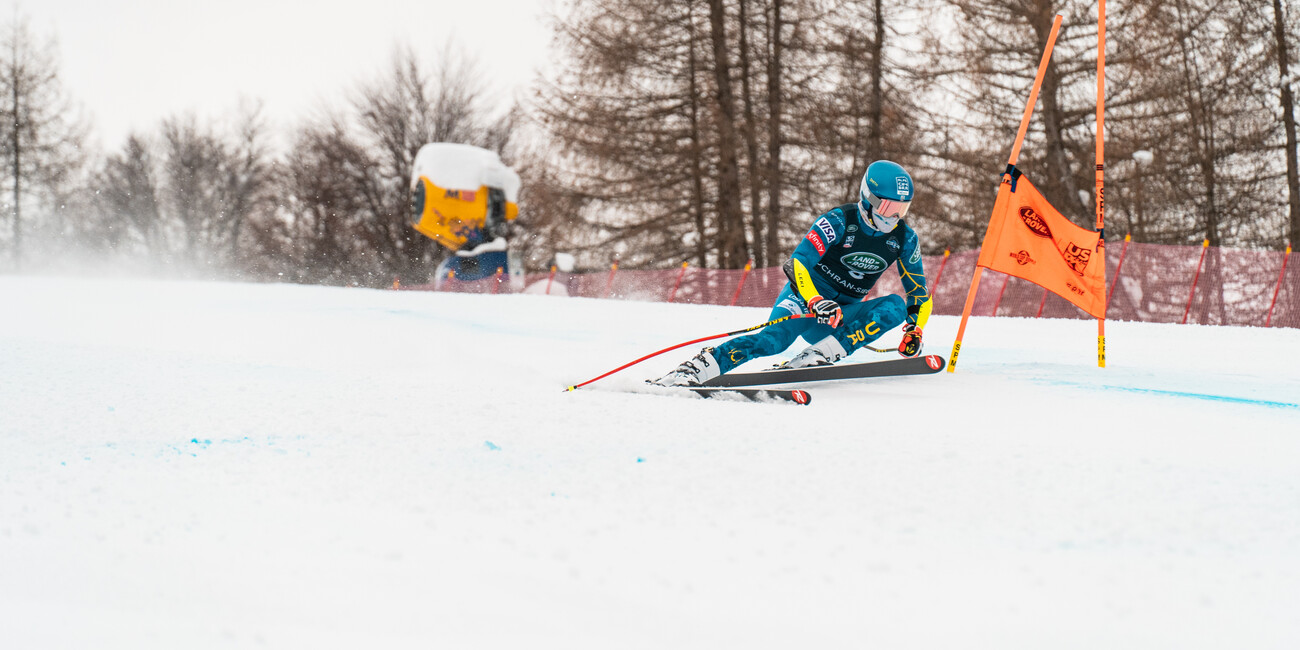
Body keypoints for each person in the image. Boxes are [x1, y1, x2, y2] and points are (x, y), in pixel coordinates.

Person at [653, 160, 932, 387]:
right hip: (804, 303)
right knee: (772, 341)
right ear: (868, 198)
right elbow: (797, 263)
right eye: (888, 207)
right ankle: (697, 368)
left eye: (902, 209)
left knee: (894, 307)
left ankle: (821, 354)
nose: (893, 217)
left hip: (837, 318)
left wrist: (915, 329)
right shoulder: (838, 221)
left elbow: (919, 292)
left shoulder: (905, 238)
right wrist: (815, 300)